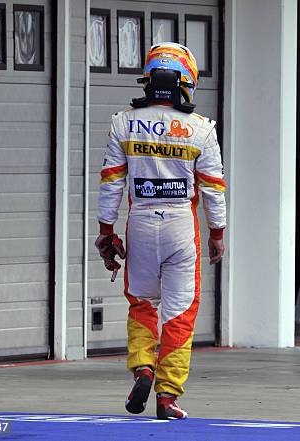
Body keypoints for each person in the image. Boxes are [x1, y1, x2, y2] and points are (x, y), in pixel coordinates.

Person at [95, 43, 226, 420]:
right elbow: (214, 189)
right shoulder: (201, 129)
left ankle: (143, 368)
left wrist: (106, 232)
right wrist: (217, 233)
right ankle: (167, 395)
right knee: (180, 312)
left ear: (150, 80)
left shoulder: (123, 122)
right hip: (181, 229)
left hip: (140, 225)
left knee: (142, 304)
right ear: (186, 82)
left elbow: (110, 184)